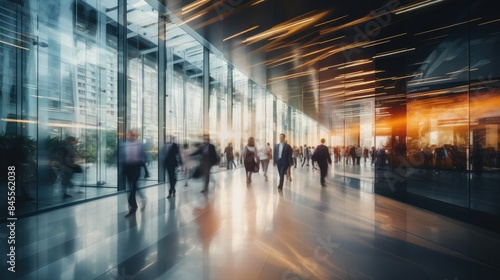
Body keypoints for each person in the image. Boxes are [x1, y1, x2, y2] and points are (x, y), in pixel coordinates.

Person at [121, 130, 147, 217]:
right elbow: (121, 156)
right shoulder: (124, 145)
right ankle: (140, 201)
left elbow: (143, 156)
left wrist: (145, 169)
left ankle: (132, 206)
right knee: (132, 187)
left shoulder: (140, 145)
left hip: (136, 167)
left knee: (134, 186)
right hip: (127, 168)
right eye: (129, 135)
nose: (130, 136)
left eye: (132, 135)